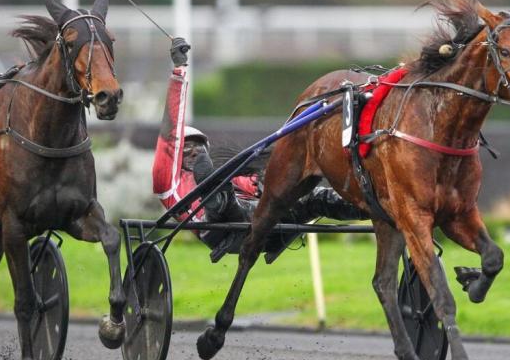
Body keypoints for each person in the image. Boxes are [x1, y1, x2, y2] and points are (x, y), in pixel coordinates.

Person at [152, 38, 367, 261]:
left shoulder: (232, 175)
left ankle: (373, 208)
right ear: (175, 154)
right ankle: (216, 198)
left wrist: (267, 181)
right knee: (226, 198)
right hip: (224, 228)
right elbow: (171, 130)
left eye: (199, 146)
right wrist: (179, 71)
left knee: (315, 199)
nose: (195, 151)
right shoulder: (168, 183)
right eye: (187, 148)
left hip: (268, 219)